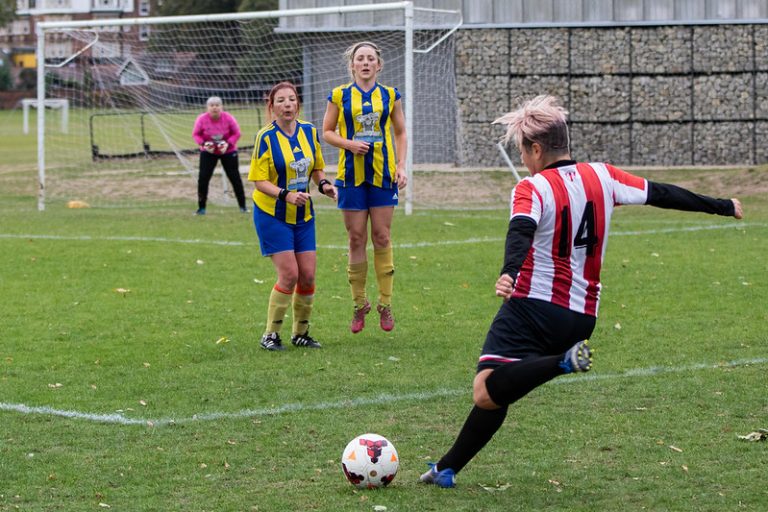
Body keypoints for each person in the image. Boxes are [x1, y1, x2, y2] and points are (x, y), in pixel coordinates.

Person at [419, 95, 744, 488]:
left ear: (536, 148)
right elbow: (662, 193)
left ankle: (562, 362)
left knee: (487, 386)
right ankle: (446, 468)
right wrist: (722, 205)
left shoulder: (532, 187)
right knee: (503, 385)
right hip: (581, 317)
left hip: (533, 306)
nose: (524, 159)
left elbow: (521, 230)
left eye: (524, 150)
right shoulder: (604, 176)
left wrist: (508, 273)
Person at [322, 41, 407, 334]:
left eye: (371, 58)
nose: (366, 63)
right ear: (353, 65)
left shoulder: (391, 95)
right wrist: (349, 144)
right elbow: (327, 132)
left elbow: (400, 131)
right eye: (361, 58)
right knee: (356, 238)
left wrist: (401, 165)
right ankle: (359, 305)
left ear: (379, 65)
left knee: (382, 237)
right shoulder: (339, 95)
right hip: (350, 176)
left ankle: (386, 303)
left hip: (383, 175)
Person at [249, 82, 337, 351]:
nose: (287, 104)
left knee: (308, 276)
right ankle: (271, 335)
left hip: (303, 215)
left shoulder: (310, 132)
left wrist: (324, 185)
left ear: (297, 103)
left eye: (291, 99)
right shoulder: (265, 137)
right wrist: (285, 194)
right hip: (271, 213)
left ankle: (301, 333)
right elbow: (258, 181)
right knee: (289, 275)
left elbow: (317, 170)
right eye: (281, 101)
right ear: (272, 106)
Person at [192, 96, 248, 215]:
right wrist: (204, 144)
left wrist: (228, 144)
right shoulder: (201, 119)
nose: (214, 108)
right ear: (207, 108)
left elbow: (237, 133)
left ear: (221, 107)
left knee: (235, 178)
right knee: (203, 179)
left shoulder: (228, 118)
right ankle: (201, 208)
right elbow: (196, 134)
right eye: (212, 105)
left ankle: (243, 207)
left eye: (217, 105)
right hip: (208, 152)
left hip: (228, 151)